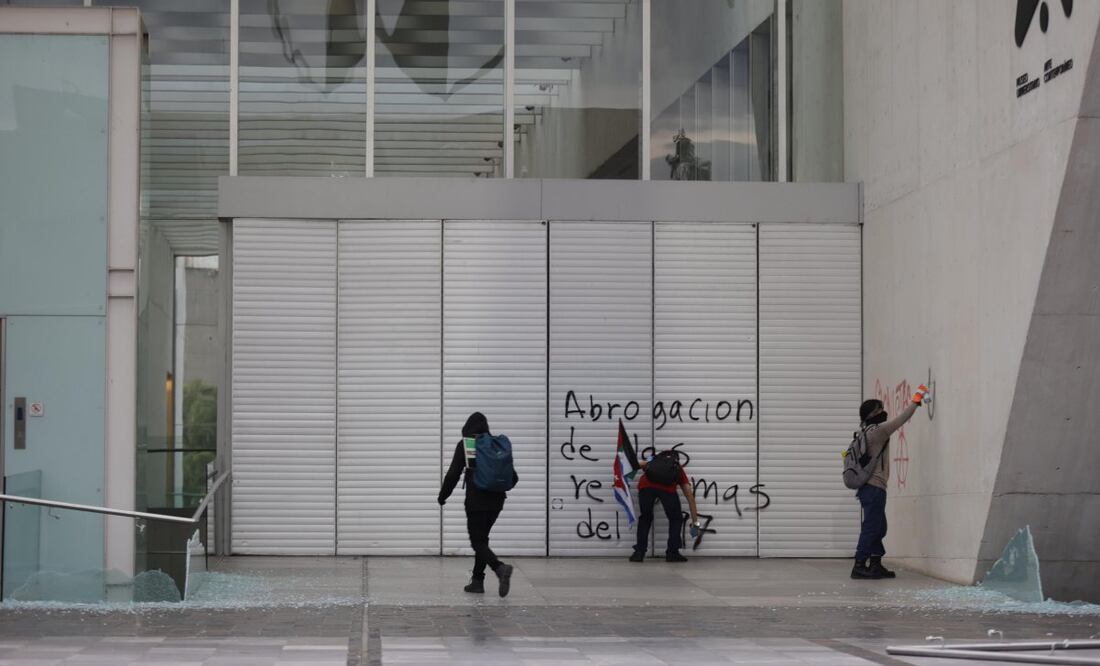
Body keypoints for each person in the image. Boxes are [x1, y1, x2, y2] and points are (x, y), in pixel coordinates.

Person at [438, 412, 517, 597]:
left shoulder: (468, 445)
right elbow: (514, 477)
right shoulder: (496, 446)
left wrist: (443, 496)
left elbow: (452, 475)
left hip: (476, 500)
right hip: (497, 501)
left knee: (478, 541)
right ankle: (477, 581)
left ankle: (500, 568)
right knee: (483, 539)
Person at [852, 387, 926, 580]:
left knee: (879, 527)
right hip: (874, 488)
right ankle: (859, 565)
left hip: (870, 488)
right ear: (871, 414)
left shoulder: (865, 431)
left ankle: (875, 564)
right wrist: (915, 401)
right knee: (871, 527)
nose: (883, 412)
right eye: (879, 410)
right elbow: (901, 419)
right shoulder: (878, 431)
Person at [629, 451, 701, 563]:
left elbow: (637, 465)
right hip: (668, 490)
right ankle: (672, 553)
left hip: (646, 487)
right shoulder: (678, 469)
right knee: (676, 519)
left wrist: (621, 475)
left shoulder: (652, 459)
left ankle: (639, 553)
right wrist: (695, 524)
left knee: (645, 518)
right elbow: (690, 498)